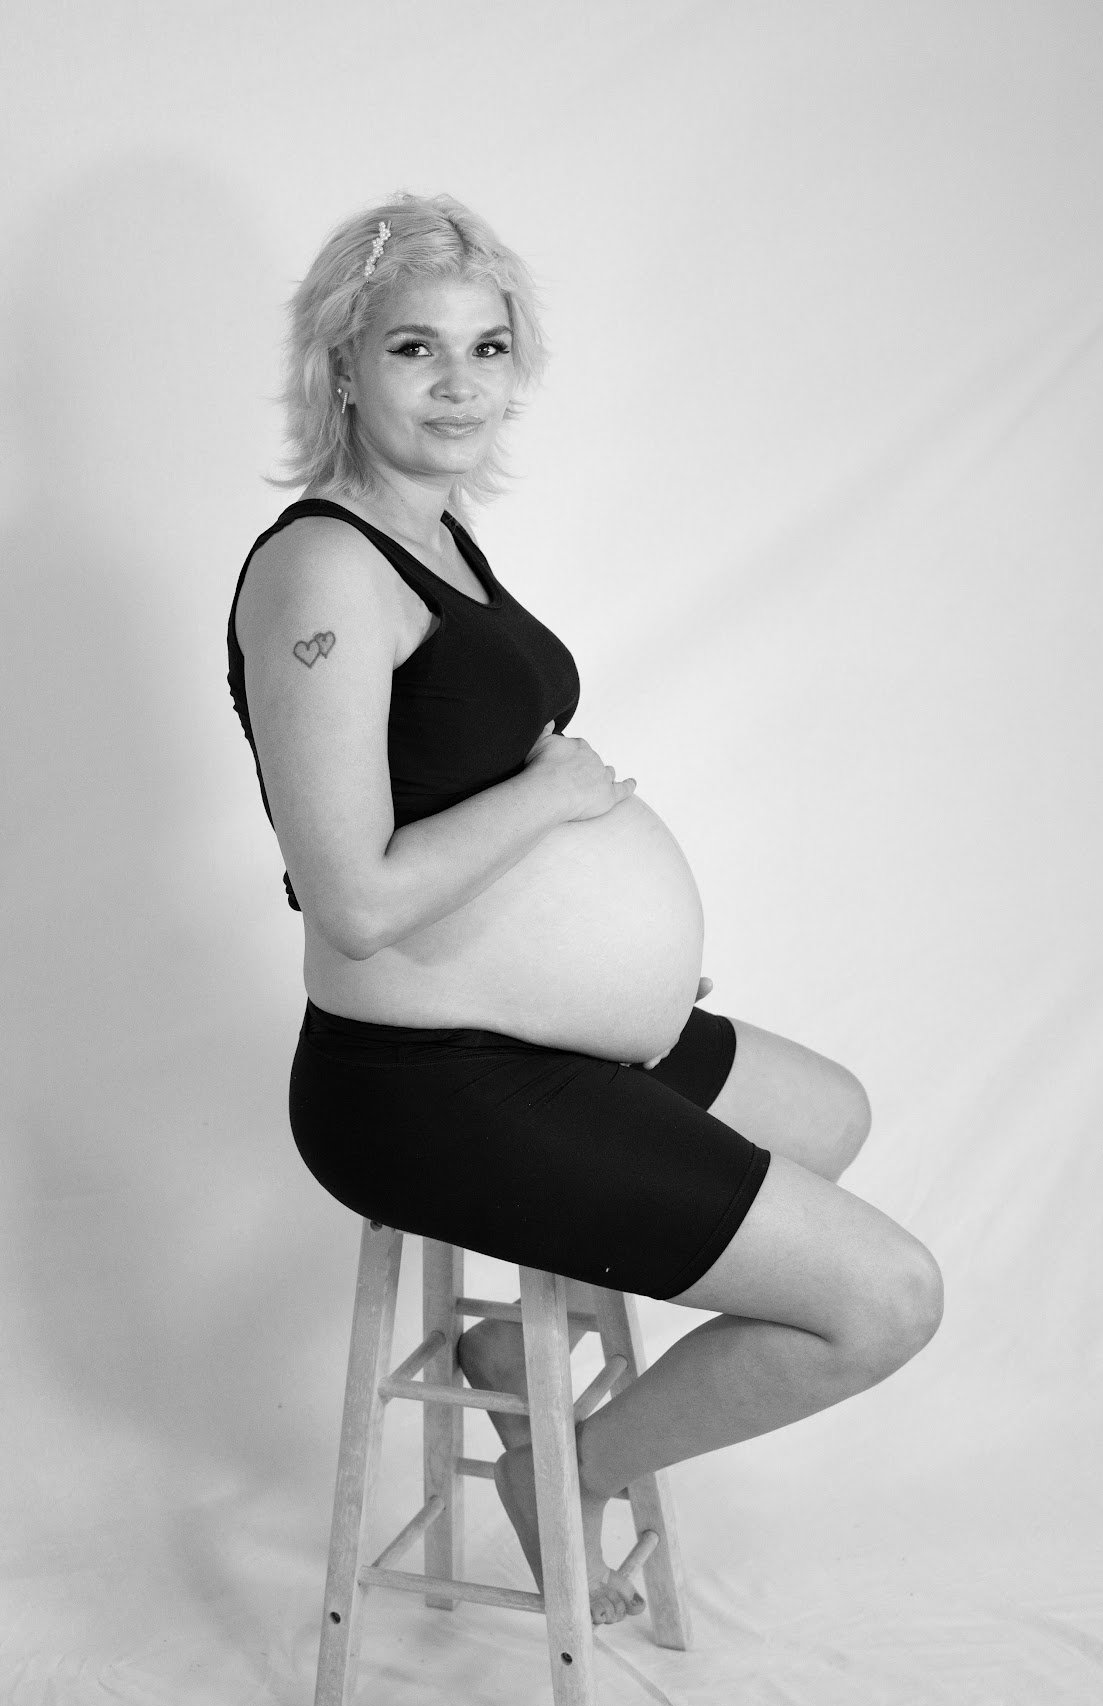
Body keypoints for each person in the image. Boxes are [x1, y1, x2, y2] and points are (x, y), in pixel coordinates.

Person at [226, 193, 943, 1628]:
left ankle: (518, 1379)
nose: (460, 384)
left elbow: (452, 779)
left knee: (827, 1113)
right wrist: (555, 811)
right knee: (885, 1301)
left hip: (528, 1037)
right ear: (342, 364)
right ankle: (567, 1474)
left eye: (488, 349)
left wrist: (613, 968)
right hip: (418, 1087)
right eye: (415, 347)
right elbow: (352, 897)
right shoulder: (319, 569)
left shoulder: (434, 534)